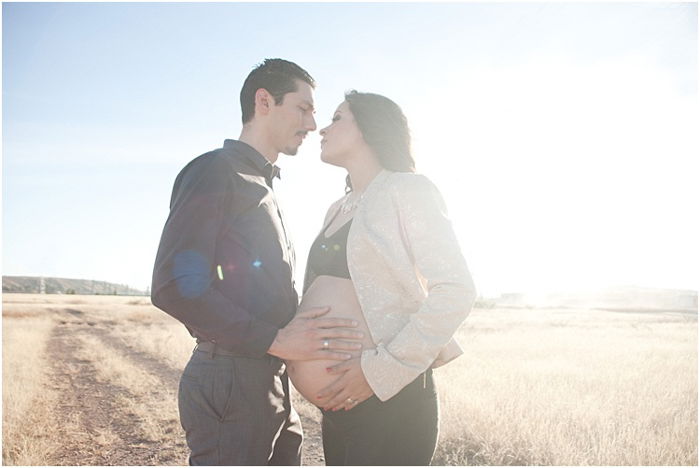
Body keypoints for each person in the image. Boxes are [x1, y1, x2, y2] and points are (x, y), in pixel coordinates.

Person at [151, 59, 364, 466]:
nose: (312, 123)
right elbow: (173, 286)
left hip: (269, 380)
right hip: (232, 378)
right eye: (303, 108)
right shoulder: (216, 171)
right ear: (264, 101)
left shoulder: (263, 183)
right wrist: (273, 339)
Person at [286, 91, 477, 465]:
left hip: (390, 402)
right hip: (341, 407)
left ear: (370, 127)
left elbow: (456, 289)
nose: (322, 127)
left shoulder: (408, 190)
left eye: (338, 118)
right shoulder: (336, 209)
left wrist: (377, 372)